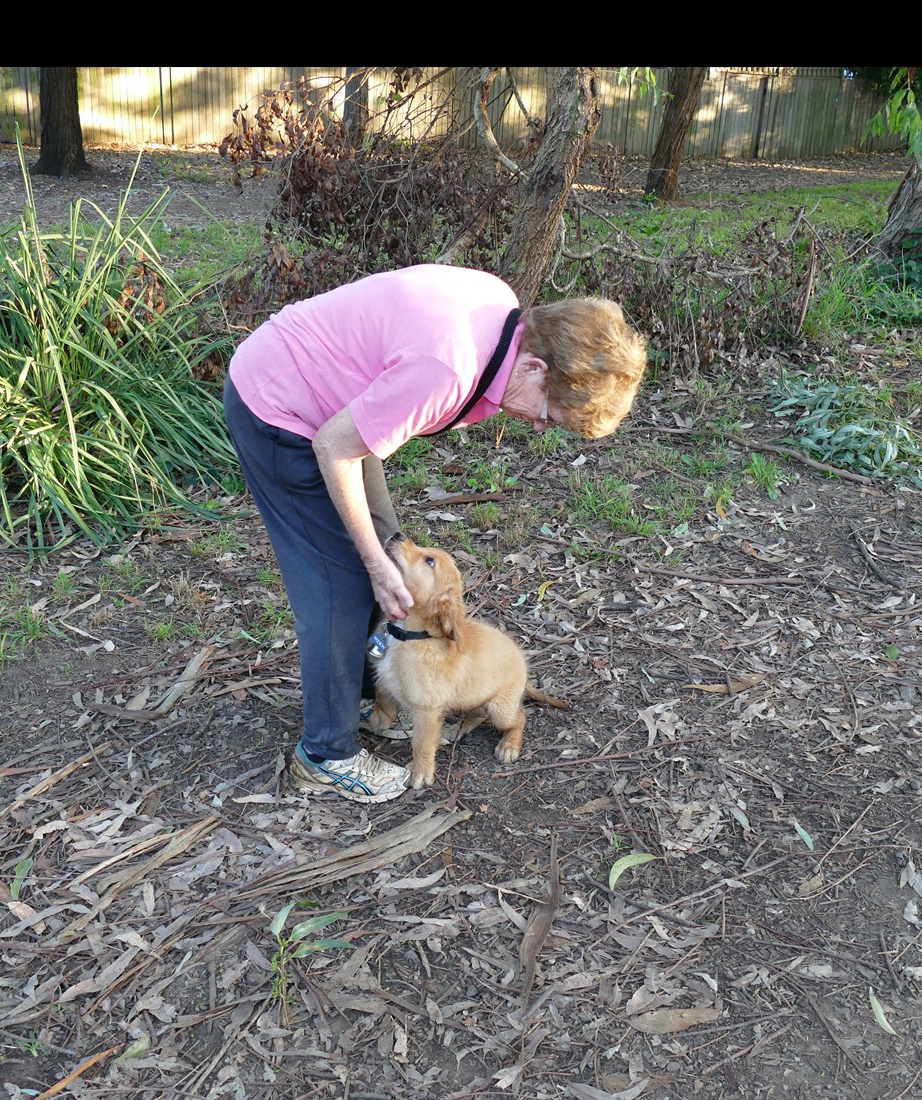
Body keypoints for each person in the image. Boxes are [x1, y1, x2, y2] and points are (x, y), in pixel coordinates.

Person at [222, 264, 646, 802]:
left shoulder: (502, 315)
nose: (541, 426)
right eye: (549, 415)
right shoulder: (448, 368)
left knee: (390, 560)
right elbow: (334, 446)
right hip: (282, 408)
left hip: (337, 408)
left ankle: (361, 697)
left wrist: (380, 559)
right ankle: (326, 753)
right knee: (339, 583)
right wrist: (373, 565)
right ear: (536, 368)